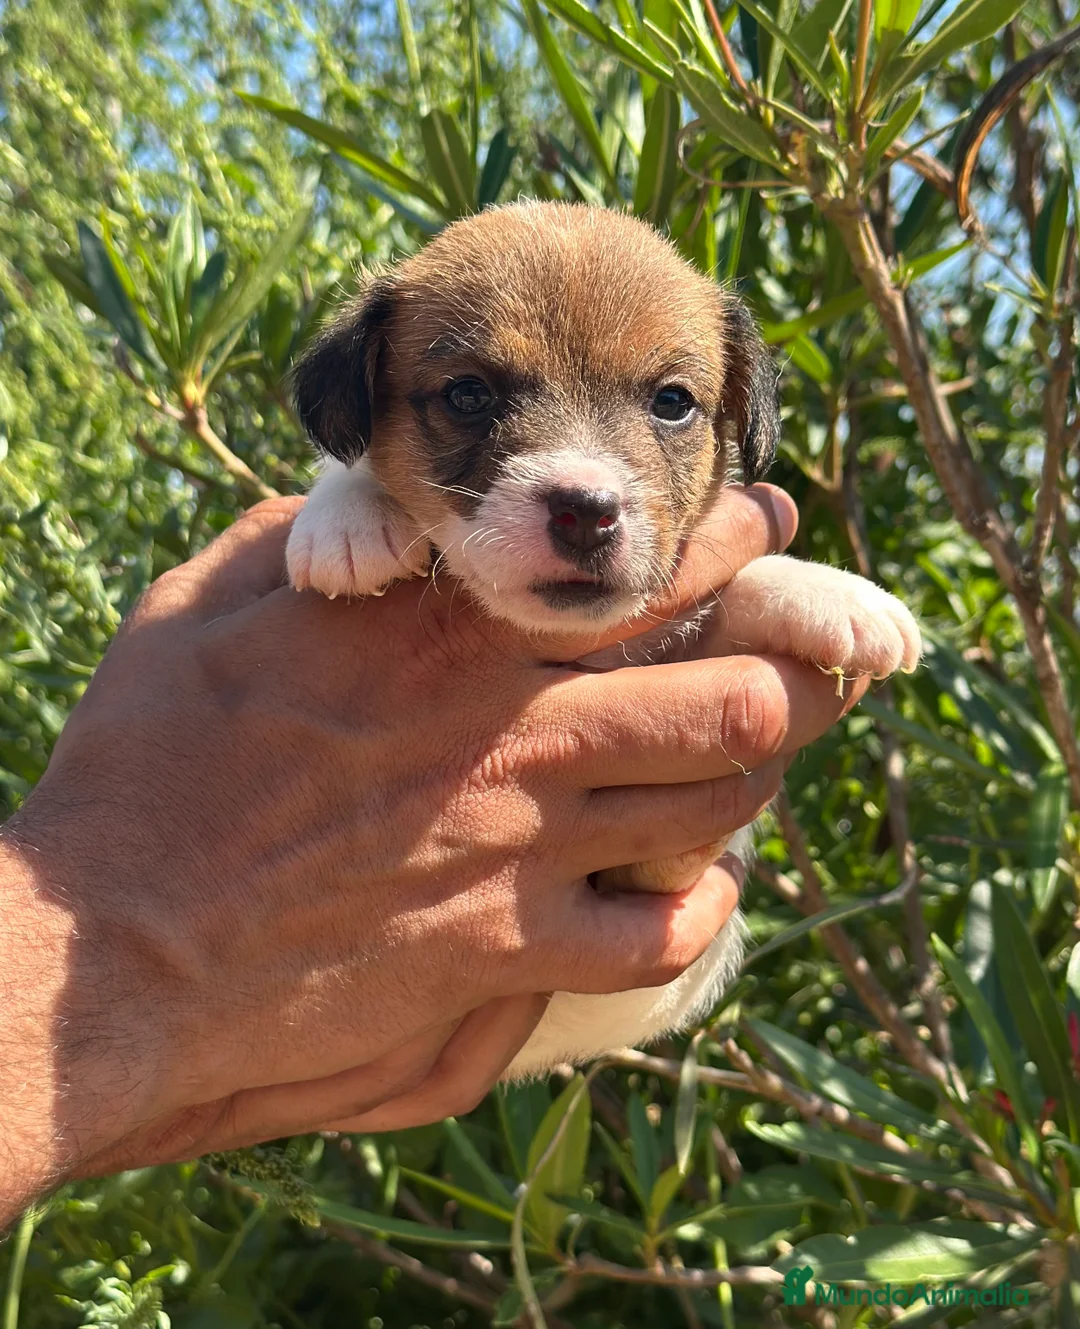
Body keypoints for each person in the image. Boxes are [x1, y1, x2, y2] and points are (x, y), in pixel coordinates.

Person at [0, 487, 867, 1229]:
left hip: (575, 972)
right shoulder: (378, 486)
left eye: (670, 405)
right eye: (471, 397)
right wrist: (128, 971)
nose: (585, 471)